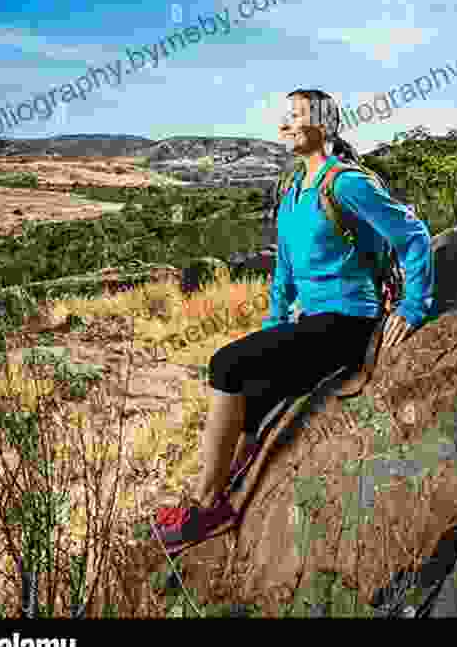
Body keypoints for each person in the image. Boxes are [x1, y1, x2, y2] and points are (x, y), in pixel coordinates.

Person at [154, 89, 436, 545]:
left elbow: (414, 235)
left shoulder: (346, 183)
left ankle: (205, 506)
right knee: (254, 394)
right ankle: (223, 502)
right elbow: (284, 267)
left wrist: (412, 306)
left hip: (350, 322)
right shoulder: (290, 191)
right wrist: (275, 325)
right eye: (284, 116)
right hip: (310, 323)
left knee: (225, 364)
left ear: (324, 125)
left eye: (297, 116)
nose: (285, 124)